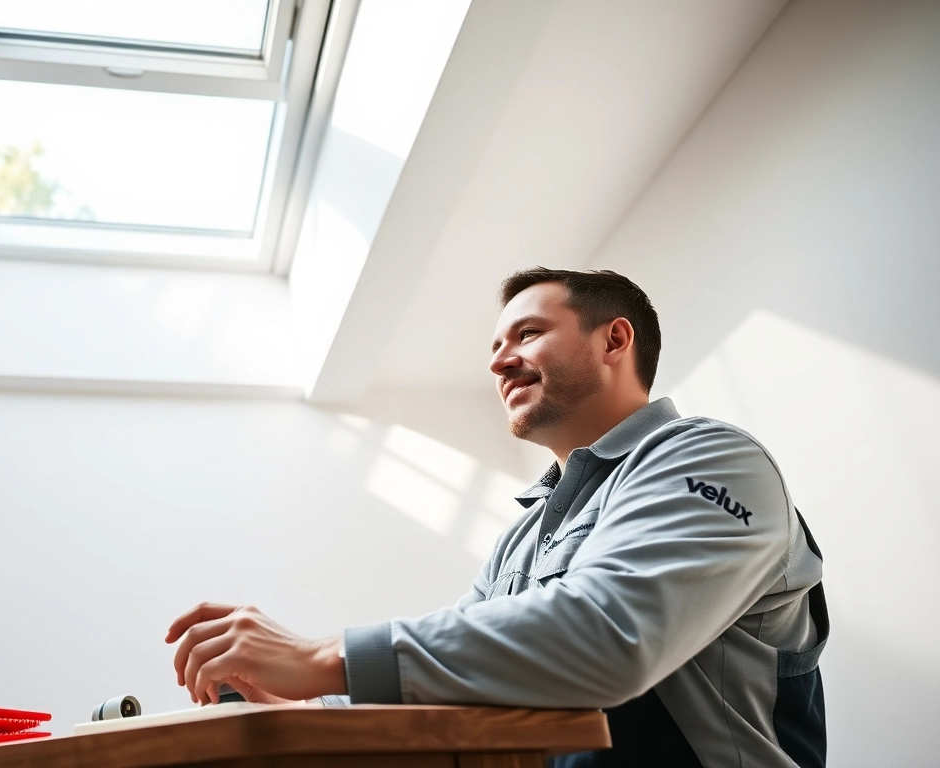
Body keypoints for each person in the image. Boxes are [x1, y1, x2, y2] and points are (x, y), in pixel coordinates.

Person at [166, 268, 827, 767]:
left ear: (614, 340)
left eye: (529, 332)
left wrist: (317, 656)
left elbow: (611, 636)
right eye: (494, 343)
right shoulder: (523, 534)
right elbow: (471, 671)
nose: (497, 359)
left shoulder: (710, 456)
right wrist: (310, 707)